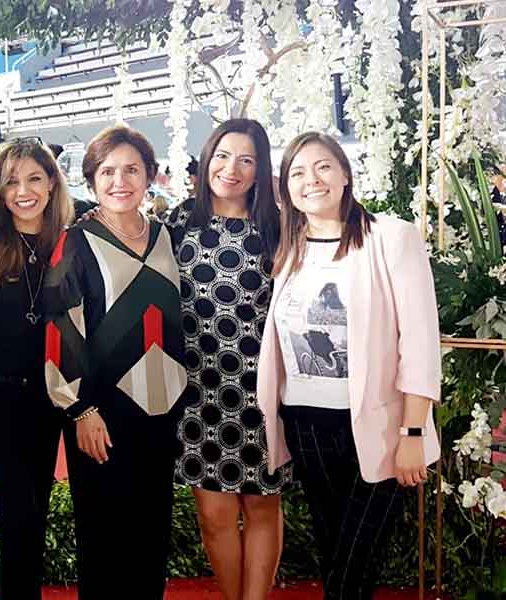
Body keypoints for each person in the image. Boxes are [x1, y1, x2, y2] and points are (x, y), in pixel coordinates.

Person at [257, 131, 441, 599]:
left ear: (344, 174)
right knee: (336, 550)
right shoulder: (289, 248)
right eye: (296, 173)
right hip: (306, 422)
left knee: (355, 561)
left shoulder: (390, 237)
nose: (310, 180)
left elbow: (419, 340)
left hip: (379, 425)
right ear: (286, 191)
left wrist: (413, 433)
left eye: (321, 167)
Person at [44, 125, 187, 599]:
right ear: (92, 181)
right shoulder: (75, 243)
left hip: (163, 411)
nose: (119, 180)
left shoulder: (169, 238)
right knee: (105, 539)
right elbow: (60, 329)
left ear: (150, 175)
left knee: (152, 536)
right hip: (101, 412)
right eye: (107, 171)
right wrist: (79, 409)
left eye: (131, 170)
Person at [168, 118, 290, 600]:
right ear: (206, 160)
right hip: (199, 389)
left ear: (261, 170)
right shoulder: (179, 222)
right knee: (214, 513)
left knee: (262, 507)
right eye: (222, 156)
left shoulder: (280, 227)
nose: (231, 169)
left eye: (246, 159)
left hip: (263, 388)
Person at [0, 138, 73, 599]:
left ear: (51, 182)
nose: (23, 191)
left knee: (34, 509)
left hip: (47, 396)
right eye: (11, 182)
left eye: (34, 179)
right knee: (18, 509)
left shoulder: (67, 235)